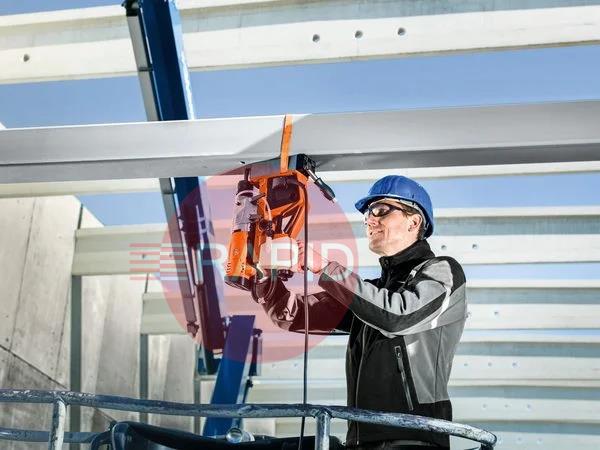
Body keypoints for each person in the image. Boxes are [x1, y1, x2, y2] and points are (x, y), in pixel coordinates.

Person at [257, 175, 467, 450]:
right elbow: (293, 314)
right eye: (368, 214)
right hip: (361, 441)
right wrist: (263, 279)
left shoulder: (443, 272)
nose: (369, 220)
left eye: (380, 210)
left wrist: (326, 269)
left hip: (414, 440)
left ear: (414, 222)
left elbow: (397, 317)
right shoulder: (371, 294)